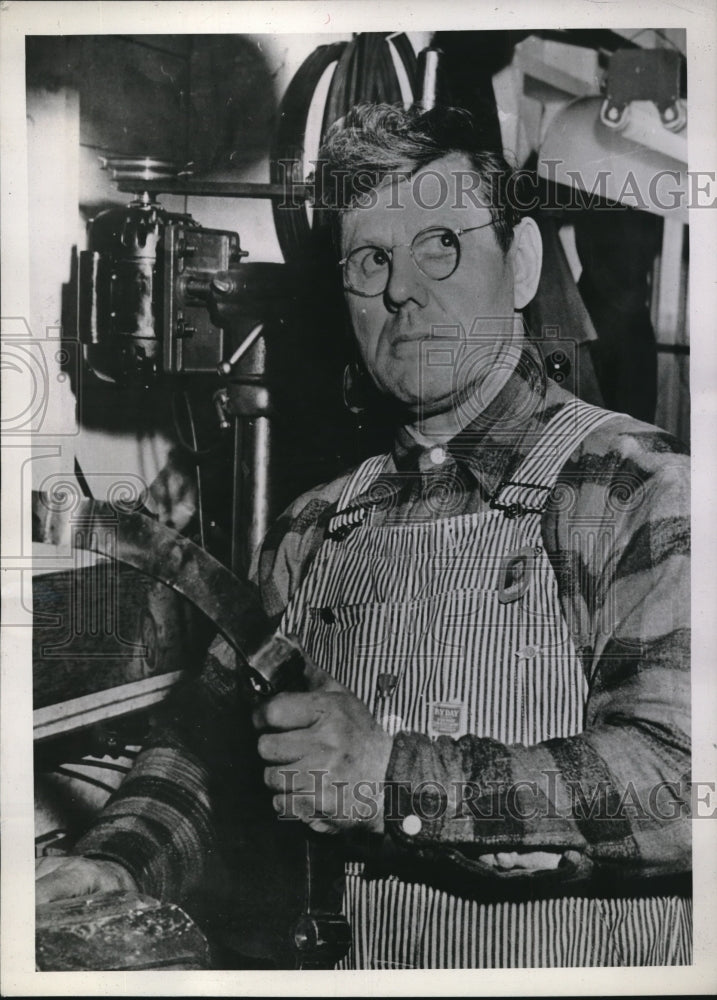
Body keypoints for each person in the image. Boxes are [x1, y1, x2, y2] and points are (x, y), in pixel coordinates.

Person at [36, 103, 691, 969]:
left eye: (440, 245)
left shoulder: (635, 488)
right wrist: (116, 859)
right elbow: (210, 747)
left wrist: (391, 777)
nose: (401, 288)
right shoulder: (316, 529)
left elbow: (681, 786)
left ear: (522, 263)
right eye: (369, 260)